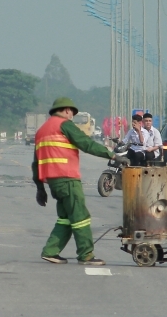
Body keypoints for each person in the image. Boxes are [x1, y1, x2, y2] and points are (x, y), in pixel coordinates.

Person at [33, 97, 129, 265]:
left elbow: (36, 163)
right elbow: (86, 143)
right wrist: (113, 155)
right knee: (81, 216)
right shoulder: (65, 125)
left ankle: (50, 251)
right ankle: (86, 255)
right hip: (68, 179)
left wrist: (40, 188)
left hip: (54, 183)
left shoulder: (41, 131)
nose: (72, 116)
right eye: (72, 113)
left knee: (66, 218)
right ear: (67, 110)